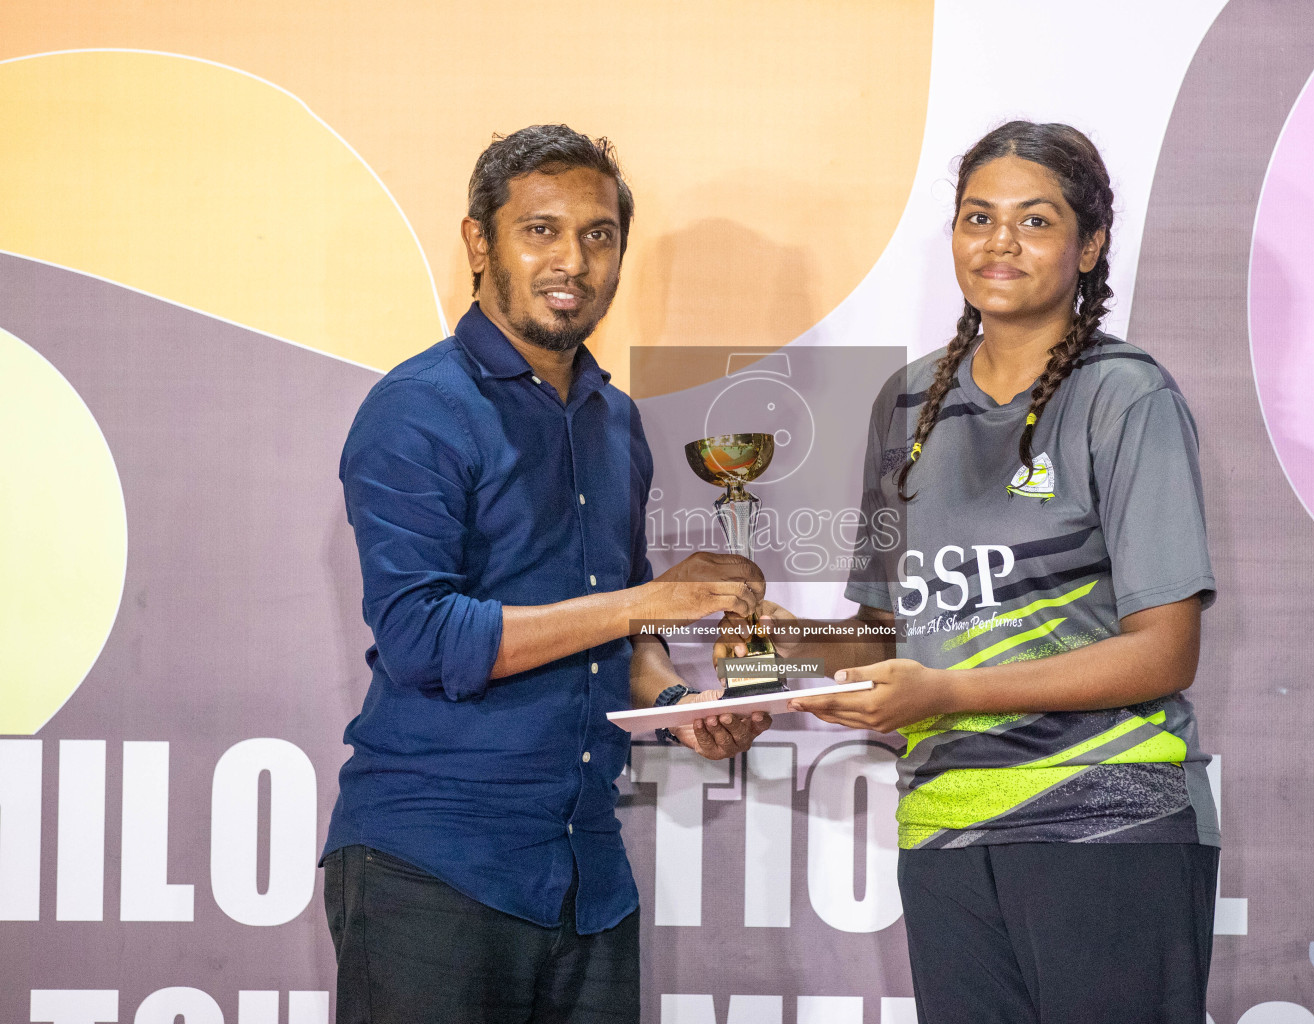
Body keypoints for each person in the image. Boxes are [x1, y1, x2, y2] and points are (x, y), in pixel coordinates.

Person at [725, 121, 1219, 1023]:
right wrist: (767, 649)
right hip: (946, 829)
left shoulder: (1126, 395)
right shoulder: (907, 403)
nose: (999, 243)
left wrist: (943, 692)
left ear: (1090, 244)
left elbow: (1164, 654)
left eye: (1035, 222)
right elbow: (883, 637)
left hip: (1105, 823)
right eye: (977, 217)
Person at [322, 124, 772, 1024]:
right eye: (541, 230)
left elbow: (623, 630)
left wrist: (678, 710)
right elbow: (421, 638)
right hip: (433, 866)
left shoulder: (615, 422)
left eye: (598, 235)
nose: (574, 259)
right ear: (479, 242)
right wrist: (642, 602)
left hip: (586, 877)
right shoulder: (416, 410)